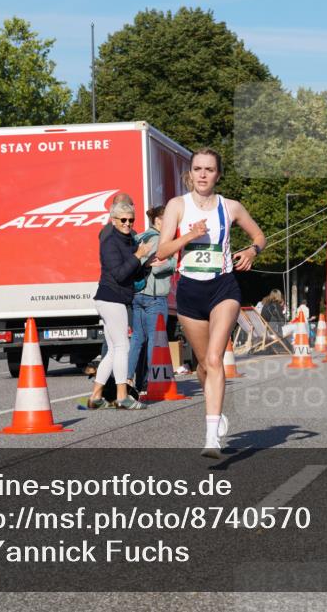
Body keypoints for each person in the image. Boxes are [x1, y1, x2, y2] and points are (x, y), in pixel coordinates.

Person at [156, 148, 266, 458]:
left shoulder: (231, 207)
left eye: (209, 169)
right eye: (198, 169)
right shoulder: (177, 205)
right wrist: (189, 236)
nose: (203, 174)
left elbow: (259, 235)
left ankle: (211, 437)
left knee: (216, 360)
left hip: (223, 288)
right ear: (190, 173)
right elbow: (163, 251)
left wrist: (252, 251)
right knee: (204, 366)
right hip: (190, 290)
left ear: (218, 174)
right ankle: (216, 411)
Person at [85, 201, 155, 410]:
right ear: (113, 220)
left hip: (116, 298)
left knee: (114, 350)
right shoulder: (110, 242)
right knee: (123, 346)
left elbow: (133, 273)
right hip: (110, 298)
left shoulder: (129, 241)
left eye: (131, 220)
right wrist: (138, 256)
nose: (127, 223)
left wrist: (147, 264)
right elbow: (119, 274)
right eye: (123, 220)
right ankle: (122, 396)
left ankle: (96, 396)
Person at [125, 205, 177, 390]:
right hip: (154, 296)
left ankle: (128, 379)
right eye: (169, 221)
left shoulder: (140, 237)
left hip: (137, 294)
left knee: (137, 338)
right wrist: (173, 261)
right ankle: (151, 382)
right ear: (158, 221)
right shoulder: (157, 239)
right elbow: (158, 266)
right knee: (155, 340)